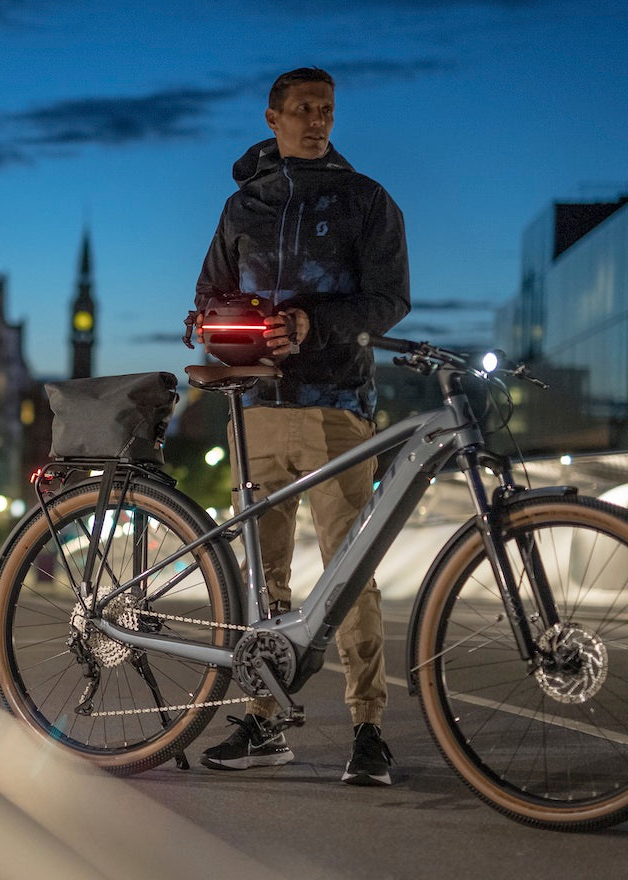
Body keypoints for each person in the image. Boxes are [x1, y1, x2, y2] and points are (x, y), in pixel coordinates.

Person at [194, 67, 410, 785]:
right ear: (272, 117)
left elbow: (389, 300)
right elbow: (208, 295)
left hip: (336, 409)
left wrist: (314, 324)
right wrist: (222, 328)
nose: (318, 121)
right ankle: (263, 720)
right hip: (254, 410)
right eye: (303, 110)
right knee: (264, 578)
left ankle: (368, 727)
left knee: (350, 577)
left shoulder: (365, 201)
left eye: (327, 110)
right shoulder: (241, 208)